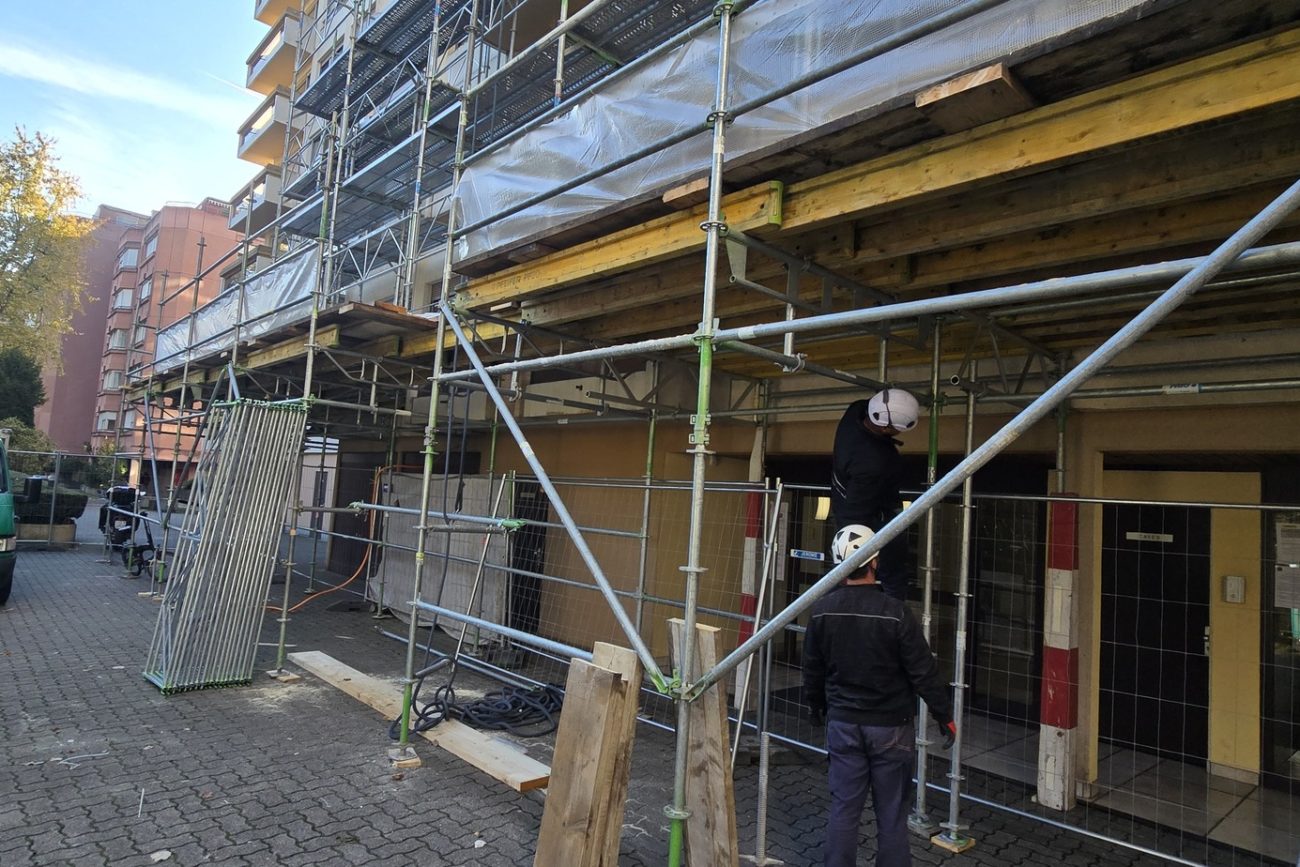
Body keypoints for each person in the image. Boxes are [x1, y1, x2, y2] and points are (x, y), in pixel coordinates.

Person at [803, 524, 956, 867]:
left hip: (843, 724)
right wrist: (944, 715)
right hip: (891, 728)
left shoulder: (822, 611)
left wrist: (815, 706)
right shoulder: (896, 612)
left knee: (845, 808)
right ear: (874, 561)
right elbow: (923, 671)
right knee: (891, 813)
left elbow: (812, 668)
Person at [829, 388, 921, 599]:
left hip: (852, 500)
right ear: (885, 428)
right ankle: (892, 609)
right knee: (886, 569)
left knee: (845, 571)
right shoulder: (872, 463)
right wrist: (856, 544)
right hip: (866, 515)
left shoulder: (855, 412)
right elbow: (856, 511)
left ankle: (838, 600)